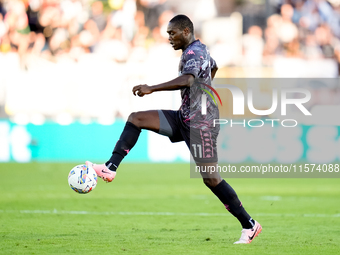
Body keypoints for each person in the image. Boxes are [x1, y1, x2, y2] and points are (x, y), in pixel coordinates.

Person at [86, 14, 262, 244]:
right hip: (184, 117)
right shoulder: (200, 51)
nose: (169, 38)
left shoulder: (194, 53)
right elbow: (214, 67)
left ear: (186, 31)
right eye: (168, 33)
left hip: (202, 125)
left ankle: (249, 225)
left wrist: (152, 88)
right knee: (136, 118)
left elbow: (188, 80)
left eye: (172, 33)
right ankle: (110, 167)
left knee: (211, 179)